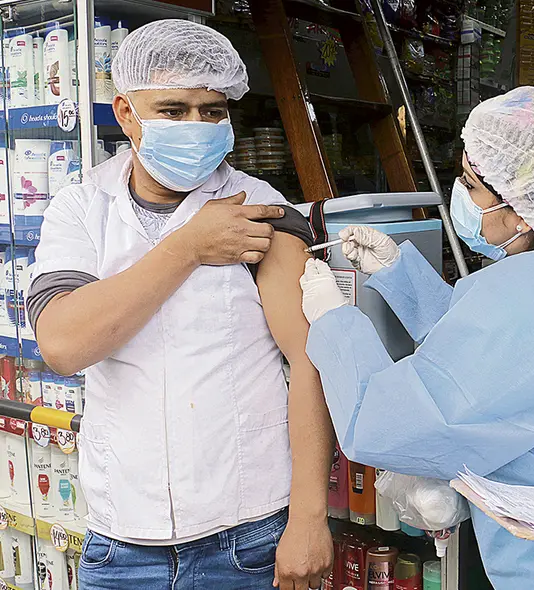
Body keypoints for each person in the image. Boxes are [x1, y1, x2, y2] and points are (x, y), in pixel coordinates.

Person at [298, 87, 534, 589]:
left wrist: (335, 322)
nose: (460, 197)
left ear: (524, 211)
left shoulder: (531, 301)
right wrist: (398, 275)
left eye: (471, 186)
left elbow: (382, 424)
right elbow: (486, 355)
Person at [28, 20, 333, 590]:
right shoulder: (81, 209)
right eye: (173, 110)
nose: (197, 126)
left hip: (250, 536)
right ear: (125, 113)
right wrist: (188, 248)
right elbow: (64, 346)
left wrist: (310, 516)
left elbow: (311, 360)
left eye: (212, 111)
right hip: (122, 545)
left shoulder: (261, 208)